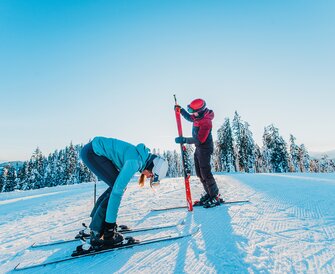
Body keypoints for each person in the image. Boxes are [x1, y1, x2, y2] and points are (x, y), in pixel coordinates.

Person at [80, 136, 168, 248]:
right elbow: (117, 193)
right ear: (153, 167)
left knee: (114, 186)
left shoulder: (140, 157)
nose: (148, 177)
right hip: (93, 153)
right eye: (151, 175)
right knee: (115, 189)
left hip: (92, 151)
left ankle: (96, 225)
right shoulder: (135, 161)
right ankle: (99, 233)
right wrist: (110, 228)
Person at [174, 98, 221, 208]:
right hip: (199, 148)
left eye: (193, 111)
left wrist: (184, 140)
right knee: (200, 173)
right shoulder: (197, 116)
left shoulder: (206, 122)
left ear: (199, 111)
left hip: (205, 148)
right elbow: (189, 118)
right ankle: (209, 194)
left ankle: (215, 196)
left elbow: (200, 139)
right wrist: (180, 110)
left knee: (206, 173)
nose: (192, 114)